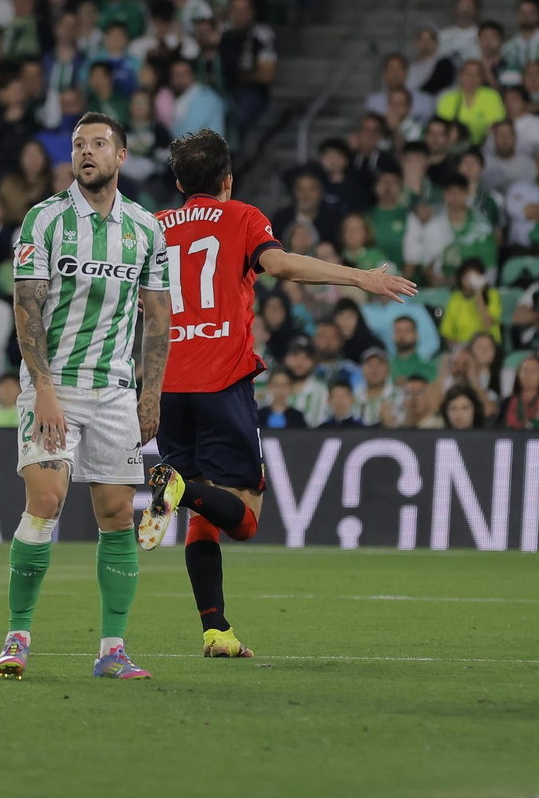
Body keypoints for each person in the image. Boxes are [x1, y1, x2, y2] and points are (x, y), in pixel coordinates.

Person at [142, 128, 415, 657]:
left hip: (167, 384)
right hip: (222, 381)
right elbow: (281, 265)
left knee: (204, 516)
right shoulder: (242, 216)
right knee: (242, 519)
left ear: (178, 182)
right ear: (227, 179)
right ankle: (179, 487)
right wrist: (359, 278)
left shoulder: (152, 227)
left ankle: (216, 629)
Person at [0, 113, 173, 682]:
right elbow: (26, 307)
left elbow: (158, 317)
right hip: (55, 386)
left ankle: (112, 649)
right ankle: (18, 634)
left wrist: (152, 395)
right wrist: (43, 388)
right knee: (45, 501)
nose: (86, 152)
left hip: (117, 392)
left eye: (98, 144)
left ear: (121, 157)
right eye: (78, 145)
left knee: (117, 515)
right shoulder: (44, 220)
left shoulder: (146, 229)